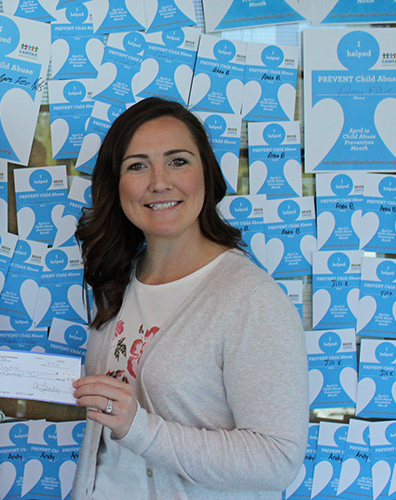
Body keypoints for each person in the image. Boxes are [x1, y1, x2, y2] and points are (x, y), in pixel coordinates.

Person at [70, 97, 308, 499]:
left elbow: (276, 459)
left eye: (178, 161)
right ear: (116, 184)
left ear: (207, 174)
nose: (160, 182)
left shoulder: (251, 299)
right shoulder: (119, 280)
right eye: (137, 165)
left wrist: (141, 430)